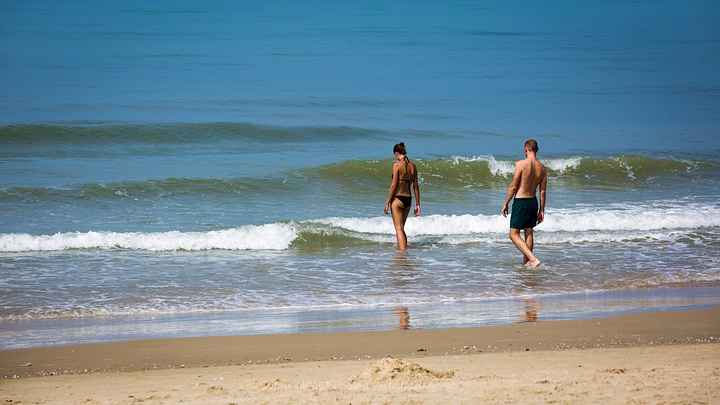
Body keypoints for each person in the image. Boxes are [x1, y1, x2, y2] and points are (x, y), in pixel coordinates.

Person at [502, 139, 547, 267]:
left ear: (525, 150)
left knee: (513, 234)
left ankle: (533, 259)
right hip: (533, 202)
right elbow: (542, 192)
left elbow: (513, 186)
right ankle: (527, 264)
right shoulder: (542, 168)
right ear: (537, 150)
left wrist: (506, 203)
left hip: (521, 201)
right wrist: (542, 210)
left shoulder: (521, 164)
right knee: (529, 232)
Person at [384, 142, 420, 249]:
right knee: (402, 228)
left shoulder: (397, 166)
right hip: (408, 200)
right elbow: (416, 187)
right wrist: (418, 204)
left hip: (398, 199)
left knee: (398, 229)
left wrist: (387, 203)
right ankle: (404, 253)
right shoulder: (413, 166)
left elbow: (394, 186)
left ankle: (402, 254)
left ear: (396, 153)